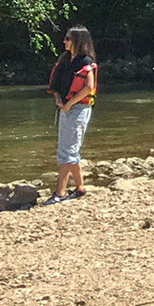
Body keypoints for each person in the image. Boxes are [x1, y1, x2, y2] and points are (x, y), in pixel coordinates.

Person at [45, 26, 99, 205]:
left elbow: (88, 87)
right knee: (68, 149)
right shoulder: (65, 60)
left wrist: (70, 104)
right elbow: (56, 85)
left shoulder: (85, 61)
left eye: (68, 38)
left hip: (78, 110)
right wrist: (60, 100)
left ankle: (60, 192)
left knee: (67, 151)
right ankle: (80, 188)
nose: (64, 41)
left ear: (77, 41)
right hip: (66, 108)